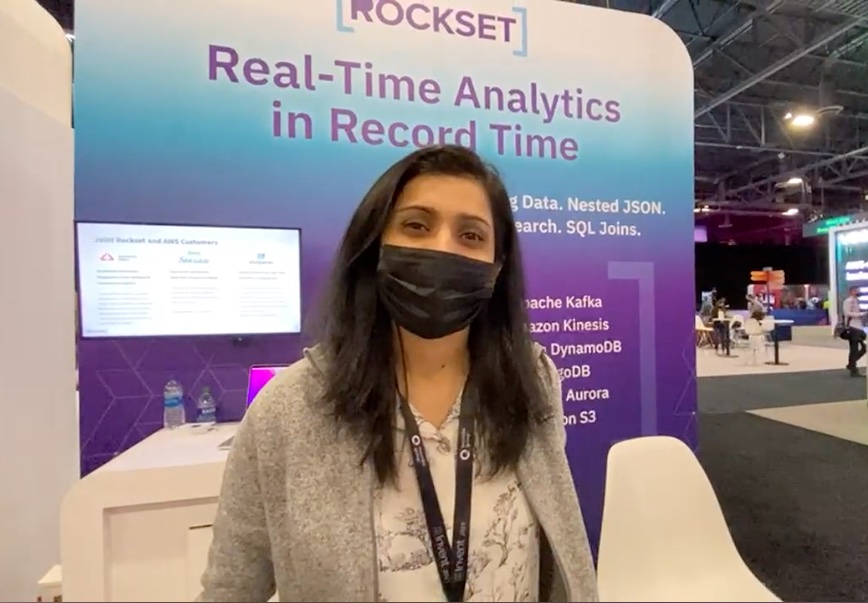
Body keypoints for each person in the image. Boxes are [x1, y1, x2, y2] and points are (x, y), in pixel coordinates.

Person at [198, 145, 598, 602]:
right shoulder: (289, 409)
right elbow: (230, 588)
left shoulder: (531, 383)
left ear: (497, 266)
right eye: (416, 225)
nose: (442, 247)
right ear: (376, 245)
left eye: (471, 235)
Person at [842, 286, 866, 377]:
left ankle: (851, 364)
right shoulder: (848, 301)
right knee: (854, 348)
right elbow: (847, 313)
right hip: (852, 327)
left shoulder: (856, 301)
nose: (859, 292)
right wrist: (861, 314)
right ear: (852, 291)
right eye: (857, 291)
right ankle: (853, 368)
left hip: (858, 327)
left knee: (862, 348)